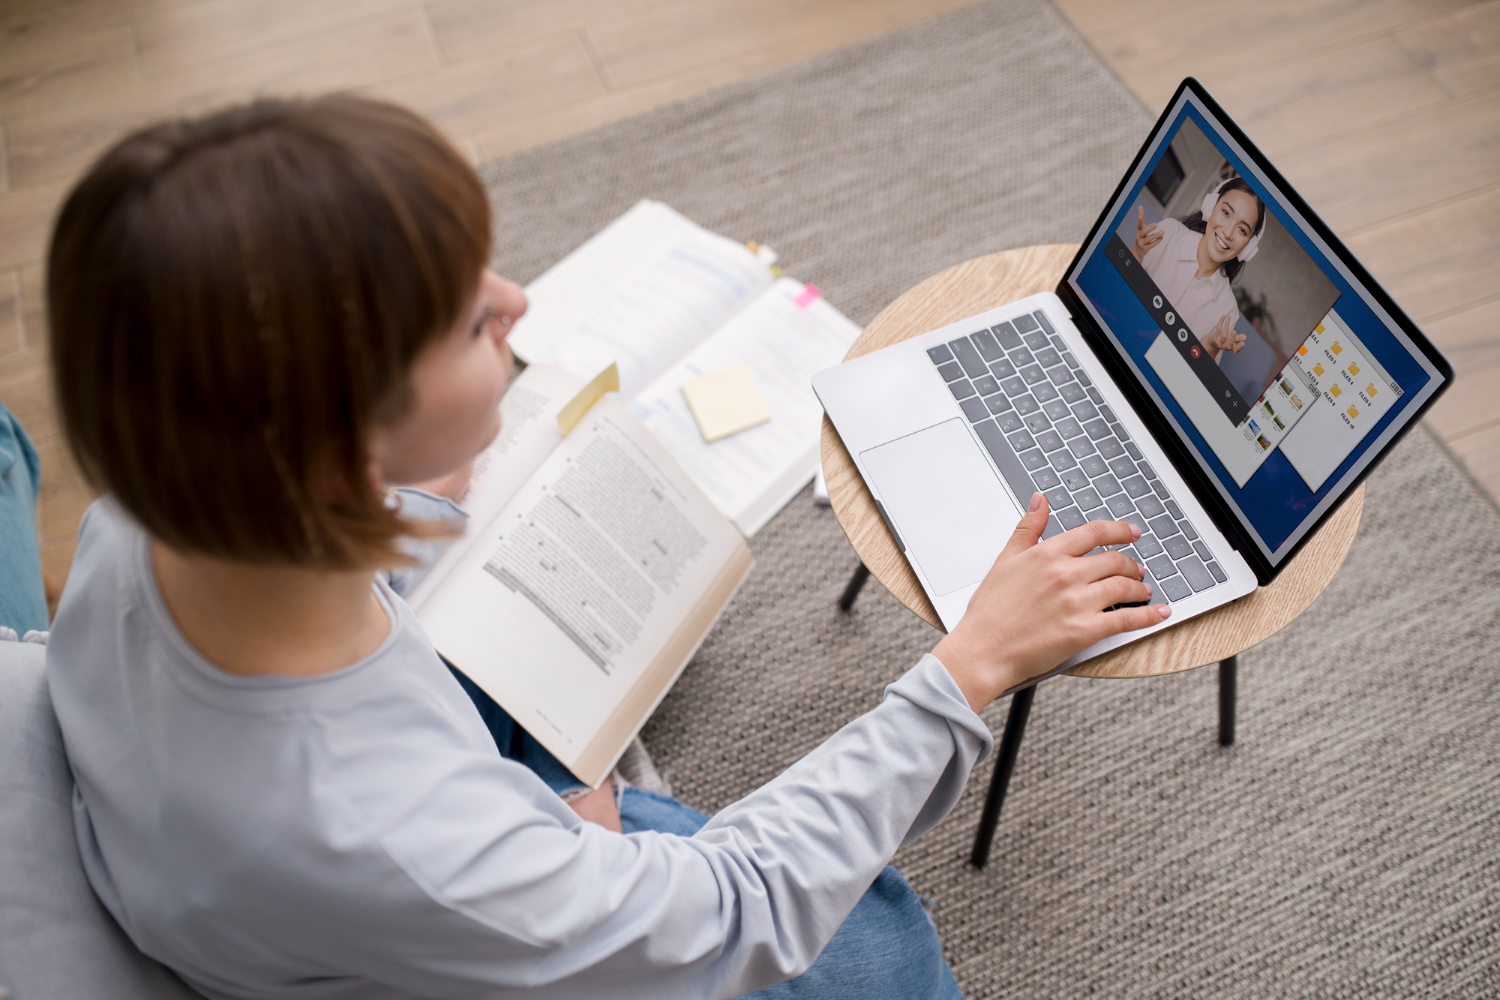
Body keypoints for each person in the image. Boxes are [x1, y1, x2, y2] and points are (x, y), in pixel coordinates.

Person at [42, 95, 1166, 1000]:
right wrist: (967, 670)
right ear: (331, 458)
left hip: (277, 833)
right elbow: (737, 912)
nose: (518, 300)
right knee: (877, 945)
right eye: (475, 323)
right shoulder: (387, 831)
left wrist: (401, 491)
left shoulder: (146, 509)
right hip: (361, 891)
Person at [1130, 176, 1266, 362]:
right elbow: (1120, 295)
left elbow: (1188, 376)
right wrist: (1136, 255)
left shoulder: (1227, 308)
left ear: (1248, 248)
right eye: (1226, 213)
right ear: (1210, 207)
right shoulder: (1168, 233)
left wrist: (1211, 346)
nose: (1227, 233)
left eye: (1242, 230)